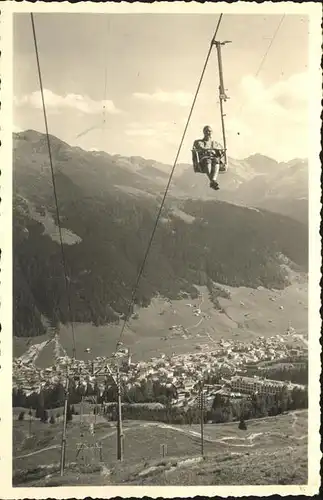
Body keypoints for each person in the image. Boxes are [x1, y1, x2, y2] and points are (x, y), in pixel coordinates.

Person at [192, 125, 223, 190]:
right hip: (204, 159)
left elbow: (220, 149)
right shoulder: (199, 142)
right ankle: (213, 181)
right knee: (208, 161)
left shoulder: (215, 143)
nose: (208, 133)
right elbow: (199, 147)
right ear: (204, 132)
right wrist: (210, 150)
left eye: (210, 131)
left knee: (216, 161)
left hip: (213, 158)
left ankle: (213, 180)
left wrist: (218, 151)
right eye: (207, 131)